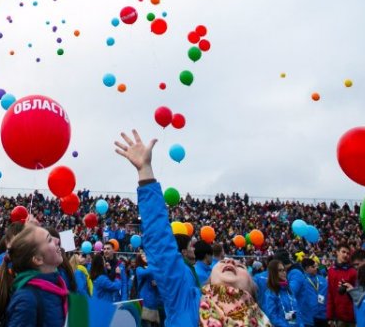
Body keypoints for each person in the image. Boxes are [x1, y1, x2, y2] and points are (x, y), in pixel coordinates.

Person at [114, 130, 268, 326]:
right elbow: (161, 246)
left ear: (253, 290)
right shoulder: (186, 301)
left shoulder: (264, 322)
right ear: (209, 279)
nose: (230, 261)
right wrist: (145, 172)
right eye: (226, 261)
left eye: (239, 265)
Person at [0, 225, 69, 327]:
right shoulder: (27, 300)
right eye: (49, 240)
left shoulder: (58, 287)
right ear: (37, 259)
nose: (57, 241)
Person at [261, 258, 302, 326]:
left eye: (284, 270)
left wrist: (301, 325)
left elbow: (297, 312)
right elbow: (273, 316)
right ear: (273, 273)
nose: (283, 272)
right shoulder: (270, 294)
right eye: (280, 270)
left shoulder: (289, 290)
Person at [290, 257, 328, 327]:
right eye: (313, 267)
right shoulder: (301, 280)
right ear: (307, 268)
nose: (315, 268)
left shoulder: (322, 279)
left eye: (316, 266)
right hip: (308, 318)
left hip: (323, 315)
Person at [327, 247, 360, 326]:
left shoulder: (353, 272)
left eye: (348, 253)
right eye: (343, 252)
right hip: (338, 316)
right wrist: (330, 316)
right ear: (337, 252)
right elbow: (330, 293)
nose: (346, 255)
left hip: (353, 316)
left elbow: (358, 293)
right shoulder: (331, 271)